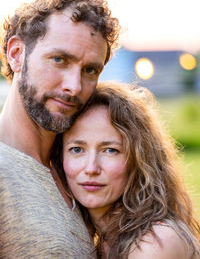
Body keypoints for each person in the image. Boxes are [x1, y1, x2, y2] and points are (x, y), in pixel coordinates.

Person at [0, 0, 120, 258]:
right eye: (59, 60)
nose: (75, 87)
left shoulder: (80, 169)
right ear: (17, 54)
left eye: (90, 70)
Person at [56, 81, 200, 258]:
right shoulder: (100, 242)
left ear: (139, 158)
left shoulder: (155, 243)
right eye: (77, 149)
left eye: (110, 150)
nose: (91, 168)